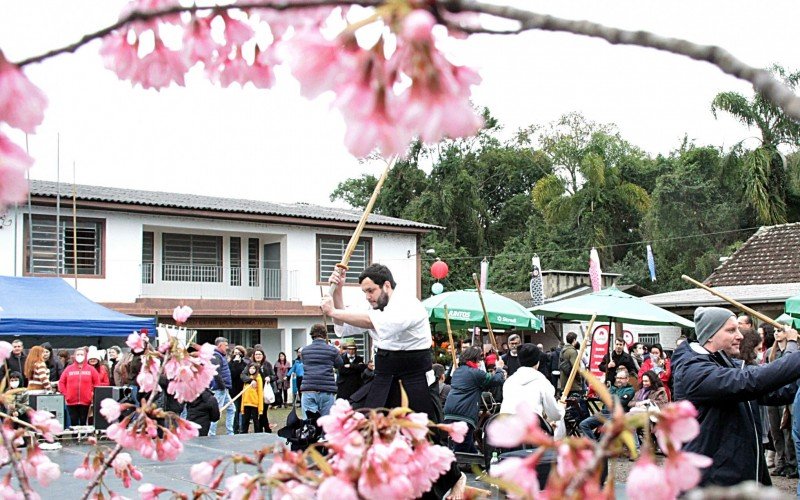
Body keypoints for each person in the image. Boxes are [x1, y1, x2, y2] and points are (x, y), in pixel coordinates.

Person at [323, 263, 465, 497]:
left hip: (414, 379)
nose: (367, 297)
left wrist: (332, 311)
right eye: (364, 292)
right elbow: (344, 326)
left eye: (370, 291)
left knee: (423, 437)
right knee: (365, 427)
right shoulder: (376, 304)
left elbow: (374, 323)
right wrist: (337, 290)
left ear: (386, 285)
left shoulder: (409, 305)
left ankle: (455, 477)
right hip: (385, 376)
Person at [671, 306, 800, 486]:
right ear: (710, 335)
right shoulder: (693, 370)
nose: (740, 336)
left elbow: (779, 391)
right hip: (713, 483)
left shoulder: (727, 365)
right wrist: (793, 349)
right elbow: (751, 381)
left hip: (739, 477)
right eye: (731, 330)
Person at [443, 346, 506, 453]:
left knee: (468, 445)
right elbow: (497, 380)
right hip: (464, 414)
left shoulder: (458, 371)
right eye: (479, 360)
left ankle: (478, 464)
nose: (480, 363)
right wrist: (499, 368)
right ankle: (454, 468)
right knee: (462, 449)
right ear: (474, 360)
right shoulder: (475, 373)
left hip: (449, 412)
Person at [765, 321, 798, 478]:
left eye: (780, 330)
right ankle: (781, 462)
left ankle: (792, 464)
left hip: (789, 395)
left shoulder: (795, 351)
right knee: (775, 431)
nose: (776, 333)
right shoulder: (770, 353)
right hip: (773, 395)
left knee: (789, 431)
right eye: (775, 331)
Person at [500, 344, 564, 425]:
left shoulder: (509, 381)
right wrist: (562, 408)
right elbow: (555, 415)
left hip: (506, 429)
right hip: (530, 430)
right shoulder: (542, 382)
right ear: (538, 362)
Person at [297, 324, 343, 418]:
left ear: (312, 335)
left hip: (309, 388)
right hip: (326, 389)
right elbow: (340, 364)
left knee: (309, 424)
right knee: (326, 424)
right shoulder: (332, 350)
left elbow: (305, 364)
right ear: (325, 335)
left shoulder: (305, 351)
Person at [579, 368, 635, 441]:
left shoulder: (630, 390)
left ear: (627, 379)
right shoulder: (612, 388)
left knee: (606, 427)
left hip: (616, 415)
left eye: (621, 378)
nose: (618, 380)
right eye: (617, 378)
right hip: (604, 413)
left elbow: (621, 402)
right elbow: (601, 397)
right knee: (583, 424)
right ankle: (594, 445)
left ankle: (602, 448)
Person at [58, 347, 100, 426]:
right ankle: (74, 438)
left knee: (84, 422)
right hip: (71, 401)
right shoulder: (68, 369)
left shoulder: (91, 369)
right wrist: (66, 394)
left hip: (86, 401)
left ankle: (84, 437)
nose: (79, 356)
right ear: (74, 356)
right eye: (78, 354)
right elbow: (61, 382)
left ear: (85, 356)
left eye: (81, 354)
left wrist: (92, 394)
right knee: (73, 422)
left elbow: (97, 383)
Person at [241, 347, 276, 432]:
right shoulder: (250, 364)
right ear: (253, 355)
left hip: (264, 392)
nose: (258, 356)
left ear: (263, 355)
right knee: (256, 414)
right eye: (256, 354)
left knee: (263, 413)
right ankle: (263, 430)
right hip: (254, 394)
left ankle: (265, 430)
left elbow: (274, 376)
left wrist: (269, 378)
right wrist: (251, 380)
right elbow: (243, 375)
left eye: (260, 354)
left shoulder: (267, 364)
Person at [208, 337, 234, 436]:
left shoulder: (221, 356)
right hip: (219, 389)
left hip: (224, 388)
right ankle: (211, 433)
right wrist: (222, 386)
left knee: (232, 409)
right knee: (216, 412)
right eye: (225, 345)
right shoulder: (216, 356)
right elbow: (216, 373)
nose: (227, 347)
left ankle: (230, 432)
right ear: (220, 345)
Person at [228, 345, 248, 434]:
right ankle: (235, 429)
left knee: (242, 410)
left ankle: (242, 428)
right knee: (235, 410)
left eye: (238, 353)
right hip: (233, 391)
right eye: (235, 353)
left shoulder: (245, 364)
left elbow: (243, 374)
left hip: (243, 389)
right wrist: (235, 363)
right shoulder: (230, 364)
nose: (237, 355)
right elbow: (233, 374)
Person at [240, 363, 264, 433]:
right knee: (245, 420)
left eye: (253, 368)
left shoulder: (258, 377)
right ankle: (244, 433)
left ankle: (257, 433)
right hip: (246, 403)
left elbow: (260, 392)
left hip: (254, 403)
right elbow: (244, 393)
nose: (251, 370)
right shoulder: (247, 378)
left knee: (255, 420)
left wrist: (260, 407)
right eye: (250, 368)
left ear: (256, 370)